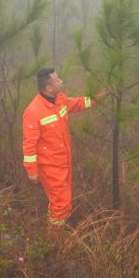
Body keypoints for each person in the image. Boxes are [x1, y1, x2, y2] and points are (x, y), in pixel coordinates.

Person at [22, 68, 100, 228]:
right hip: (49, 166)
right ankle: (55, 242)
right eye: (58, 80)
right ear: (48, 87)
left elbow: (77, 103)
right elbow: (29, 144)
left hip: (64, 161)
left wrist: (98, 97)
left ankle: (55, 232)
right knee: (61, 204)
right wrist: (32, 171)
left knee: (62, 201)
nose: (61, 81)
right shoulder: (33, 112)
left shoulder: (60, 100)